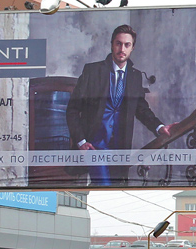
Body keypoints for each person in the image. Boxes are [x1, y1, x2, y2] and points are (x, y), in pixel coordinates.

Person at [65, 24, 173, 186]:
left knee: (115, 189)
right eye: (118, 43)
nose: (122, 48)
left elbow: (141, 109)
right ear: (112, 44)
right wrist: (81, 141)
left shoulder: (135, 77)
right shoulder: (92, 71)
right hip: (95, 146)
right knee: (103, 186)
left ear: (132, 48)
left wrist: (158, 127)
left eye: (127, 45)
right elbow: (72, 109)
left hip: (120, 148)